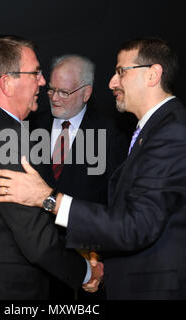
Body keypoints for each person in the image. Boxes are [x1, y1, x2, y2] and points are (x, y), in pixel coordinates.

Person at [0, 38, 186, 299]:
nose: (112, 82)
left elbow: (136, 226)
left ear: (153, 75)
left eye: (121, 71)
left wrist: (49, 199)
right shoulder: (157, 130)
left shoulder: (173, 135)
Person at [0, 35, 103, 300]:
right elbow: (37, 243)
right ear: (7, 83)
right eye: (35, 73)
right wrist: (87, 272)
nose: (42, 81)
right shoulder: (9, 139)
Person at [30, 54, 127, 299]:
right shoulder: (30, 127)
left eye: (64, 92)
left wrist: (99, 253)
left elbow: (116, 201)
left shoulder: (110, 134)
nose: (53, 98)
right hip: (38, 264)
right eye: (51, 90)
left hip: (89, 261)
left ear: (86, 93)